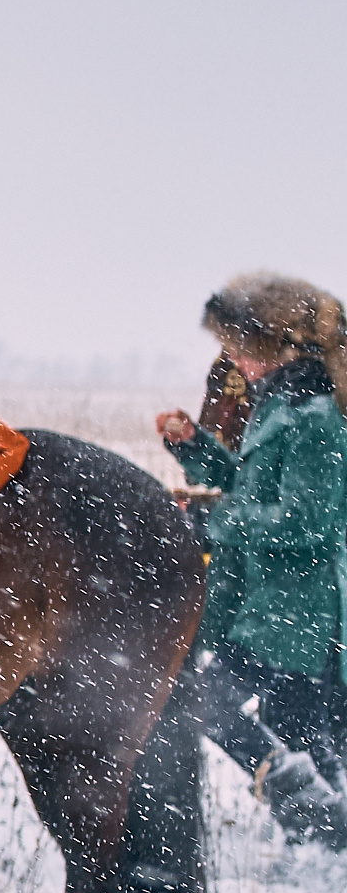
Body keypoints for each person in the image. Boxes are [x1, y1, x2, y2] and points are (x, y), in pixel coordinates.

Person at [157, 272, 347, 836]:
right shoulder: (280, 408)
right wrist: (195, 449)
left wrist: (217, 518)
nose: (233, 360)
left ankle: (315, 822)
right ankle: (318, 826)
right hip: (270, 606)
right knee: (305, 735)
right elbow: (251, 487)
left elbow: (305, 521)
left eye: (240, 347)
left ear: (277, 348)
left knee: (206, 700)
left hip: (301, 614)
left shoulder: (318, 421)